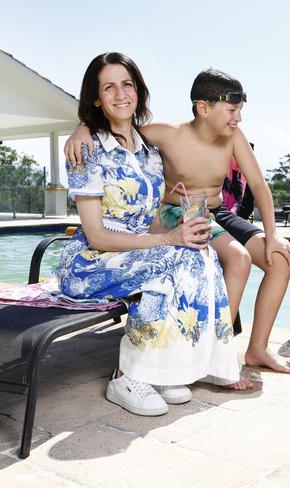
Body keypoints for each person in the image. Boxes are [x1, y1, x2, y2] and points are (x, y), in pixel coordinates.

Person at [56, 53, 251, 418]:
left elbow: (149, 221)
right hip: (90, 262)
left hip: (132, 252)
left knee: (200, 252)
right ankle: (126, 376)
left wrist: (180, 231)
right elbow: (97, 235)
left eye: (126, 84)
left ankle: (163, 369)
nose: (120, 94)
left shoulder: (148, 152)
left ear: (138, 90)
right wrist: (167, 240)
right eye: (108, 87)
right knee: (173, 261)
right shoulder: (86, 150)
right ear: (96, 98)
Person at [65, 68, 290, 373]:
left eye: (239, 111)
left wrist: (273, 234)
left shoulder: (234, 137)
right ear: (203, 108)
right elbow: (115, 126)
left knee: (281, 257)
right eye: (232, 110)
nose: (237, 118)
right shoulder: (166, 132)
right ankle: (213, 356)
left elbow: (259, 186)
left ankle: (257, 349)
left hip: (219, 212)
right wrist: (82, 128)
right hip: (182, 211)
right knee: (238, 259)